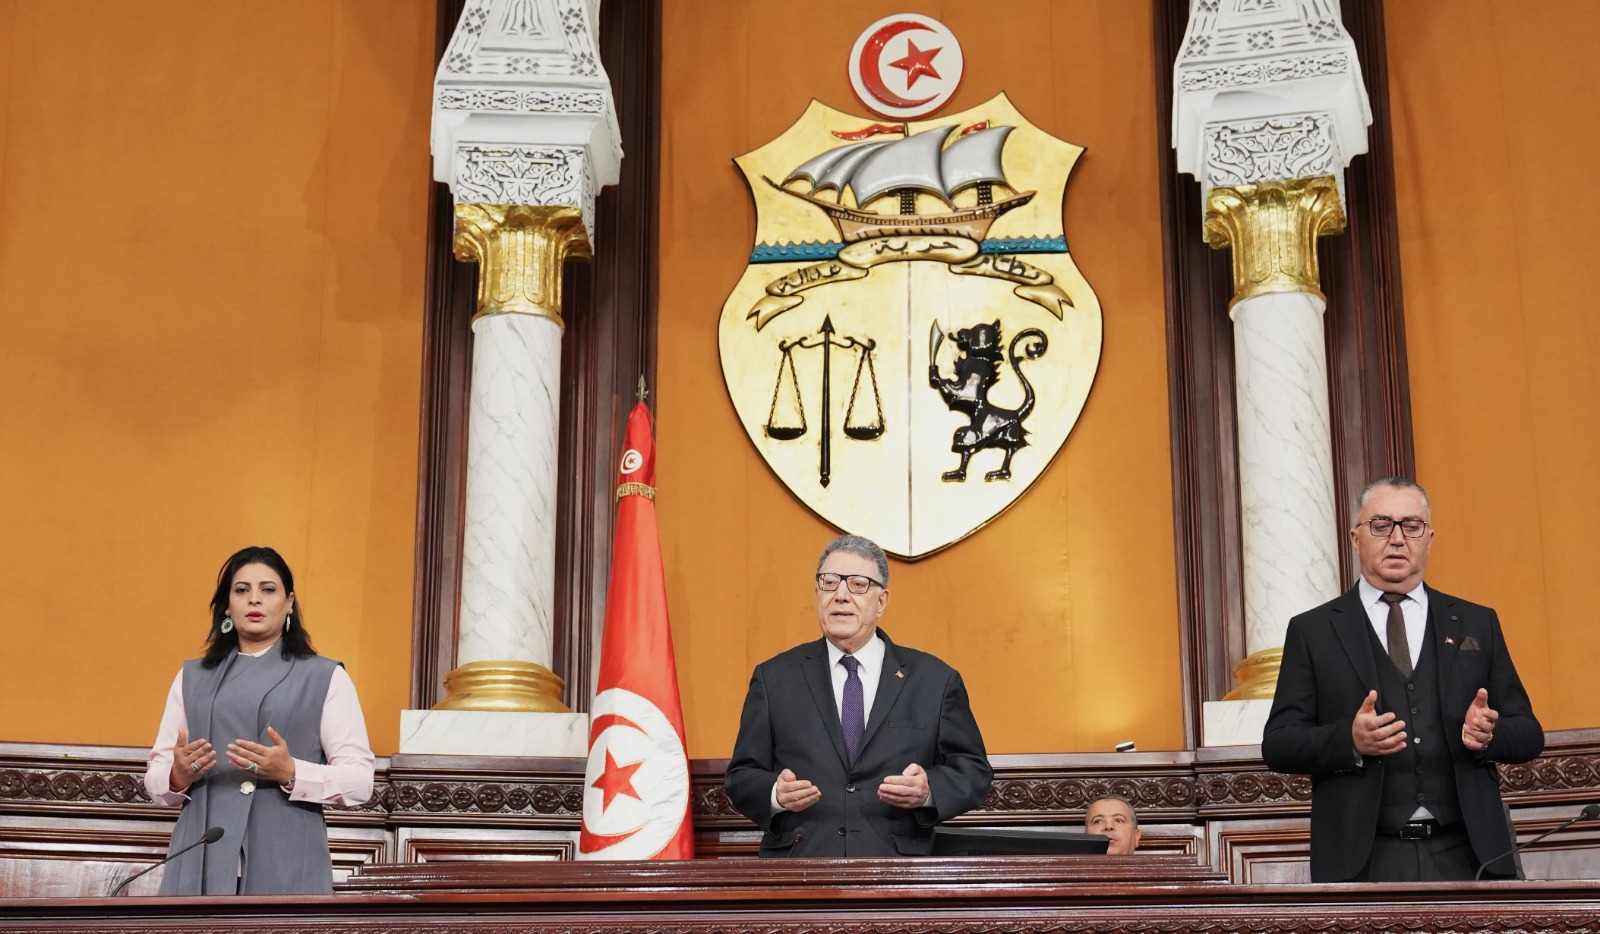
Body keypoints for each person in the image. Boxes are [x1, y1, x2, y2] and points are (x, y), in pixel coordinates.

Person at [1262, 478, 1543, 882]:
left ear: (1429, 539)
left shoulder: (1476, 622)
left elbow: (1529, 734)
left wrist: (1489, 736)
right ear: (1356, 538)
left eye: (1411, 526)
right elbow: (1279, 743)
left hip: (1468, 856)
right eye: (1381, 525)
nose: (1397, 538)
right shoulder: (1313, 631)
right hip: (1363, 861)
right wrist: (1349, 740)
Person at [725, 535, 993, 856]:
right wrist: (775, 794)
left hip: (898, 869)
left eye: (857, 584)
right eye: (829, 582)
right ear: (817, 594)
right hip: (802, 866)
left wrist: (928, 791)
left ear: (881, 602)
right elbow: (741, 776)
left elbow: (973, 771)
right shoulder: (774, 678)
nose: (841, 595)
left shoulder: (935, 680)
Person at [143, 546, 375, 894]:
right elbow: (156, 778)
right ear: (227, 605)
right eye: (242, 590)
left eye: (268, 589)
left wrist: (291, 772)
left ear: (289, 602)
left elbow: (360, 783)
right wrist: (177, 776)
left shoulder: (325, 677)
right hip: (199, 855)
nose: (254, 599)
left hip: (287, 858)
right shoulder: (191, 678)